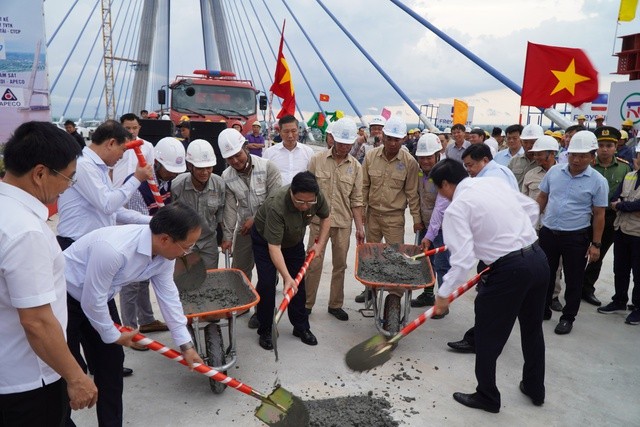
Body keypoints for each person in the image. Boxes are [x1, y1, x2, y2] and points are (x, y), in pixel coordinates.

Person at [64, 204, 204, 427]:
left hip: (101, 296)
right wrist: (112, 334)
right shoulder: (114, 249)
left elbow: (169, 297)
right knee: (65, 373)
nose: (187, 253)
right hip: (64, 297)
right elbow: (92, 301)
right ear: (166, 239)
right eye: (186, 247)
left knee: (111, 365)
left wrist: (186, 345)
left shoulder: (163, 256)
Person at [430, 159, 548, 414]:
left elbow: (460, 261)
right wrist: (508, 235)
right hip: (538, 257)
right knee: (532, 328)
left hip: (510, 270)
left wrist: (442, 294)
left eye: (439, 190)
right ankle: (534, 387)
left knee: (486, 333)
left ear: (446, 184)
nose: (441, 195)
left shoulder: (457, 208)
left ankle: (487, 396)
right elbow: (530, 208)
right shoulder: (492, 183)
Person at [0, 122, 97, 426]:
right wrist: (76, 376)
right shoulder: (26, 231)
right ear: (40, 173)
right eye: (68, 176)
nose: (68, 186)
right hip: (29, 382)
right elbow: (37, 320)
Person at [537, 131, 608, 335]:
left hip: (576, 236)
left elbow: (599, 214)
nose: (576, 159)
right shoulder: (554, 172)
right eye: (573, 154)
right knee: (545, 274)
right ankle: (543, 309)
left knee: (574, 279)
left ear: (592, 157)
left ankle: (568, 317)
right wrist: (529, 221)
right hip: (549, 232)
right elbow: (542, 197)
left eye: (583, 155)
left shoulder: (597, 181)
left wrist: (596, 244)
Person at [251, 172, 330, 350]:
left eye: (309, 202)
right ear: (291, 193)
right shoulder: (276, 205)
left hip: (293, 240)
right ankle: (265, 329)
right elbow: (274, 247)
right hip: (266, 242)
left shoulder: (316, 196)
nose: (305, 206)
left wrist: (319, 245)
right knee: (267, 283)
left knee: (298, 284)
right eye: (300, 202)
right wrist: (286, 277)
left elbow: (326, 217)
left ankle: (301, 327)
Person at [120, 137, 187, 342]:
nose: (174, 174)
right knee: (131, 285)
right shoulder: (138, 187)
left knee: (145, 280)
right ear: (157, 163)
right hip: (135, 240)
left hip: (156, 240)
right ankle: (130, 331)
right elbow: (143, 225)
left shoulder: (166, 182)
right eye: (170, 169)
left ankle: (147, 320)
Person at [219, 129, 282, 329]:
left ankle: (262, 311)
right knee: (240, 269)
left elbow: (275, 200)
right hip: (244, 229)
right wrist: (227, 237)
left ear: (246, 148)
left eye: (238, 155)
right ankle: (244, 303)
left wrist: (255, 219)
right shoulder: (226, 176)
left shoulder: (268, 167)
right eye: (230, 158)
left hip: (269, 227)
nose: (235, 161)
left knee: (266, 274)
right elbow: (229, 208)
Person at [356, 116, 422, 303]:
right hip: (373, 217)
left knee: (395, 258)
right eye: (390, 138)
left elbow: (412, 193)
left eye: (397, 139)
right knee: (371, 257)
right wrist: (361, 214)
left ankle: (394, 295)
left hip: (394, 218)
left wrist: (417, 219)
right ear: (383, 136)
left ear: (404, 139)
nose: (393, 143)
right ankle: (370, 289)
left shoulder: (409, 162)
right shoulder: (371, 157)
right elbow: (364, 187)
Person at [305, 118, 365, 321]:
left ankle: (335, 304)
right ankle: (307, 303)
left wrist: (359, 227)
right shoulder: (317, 160)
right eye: (341, 143)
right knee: (313, 263)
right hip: (318, 223)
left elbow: (357, 199)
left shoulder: (356, 166)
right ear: (332, 139)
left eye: (348, 144)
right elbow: (307, 191)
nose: (344, 148)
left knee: (340, 265)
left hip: (342, 224)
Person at [581, 126, 631, 306]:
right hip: (585, 215)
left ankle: (586, 288)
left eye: (609, 145)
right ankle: (575, 285)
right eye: (601, 145)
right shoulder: (585, 165)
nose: (604, 149)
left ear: (616, 146)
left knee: (597, 254)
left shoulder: (624, 168)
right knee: (578, 252)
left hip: (609, 218)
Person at [598, 144, 640, 324]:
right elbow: (614, 198)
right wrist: (623, 205)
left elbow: (631, 205)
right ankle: (619, 300)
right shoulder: (630, 175)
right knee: (620, 268)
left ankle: (638, 307)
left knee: (638, 272)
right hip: (622, 228)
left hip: (638, 233)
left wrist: (622, 205)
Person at [410, 134, 452, 313]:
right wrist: (418, 220)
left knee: (443, 265)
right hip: (426, 224)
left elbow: (440, 209)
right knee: (426, 262)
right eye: (422, 157)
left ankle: (443, 304)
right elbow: (417, 196)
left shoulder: (445, 173)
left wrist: (429, 234)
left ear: (437, 154)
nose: (425, 161)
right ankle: (428, 294)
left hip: (443, 228)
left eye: (428, 157)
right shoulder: (420, 172)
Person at [522, 135, 564, 312]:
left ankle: (553, 296)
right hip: (533, 228)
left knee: (554, 265)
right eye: (535, 154)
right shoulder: (530, 175)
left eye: (540, 154)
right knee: (530, 262)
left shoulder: (564, 174)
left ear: (552, 153)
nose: (536, 157)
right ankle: (531, 293)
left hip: (553, 227)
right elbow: (523, 200)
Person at [172, 139, 225, 269]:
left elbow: (222, 215)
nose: (205, 172)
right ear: (190, 166)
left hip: (209, 242)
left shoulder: (219, 184)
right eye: (200, 168)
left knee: (210, 279)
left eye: (209, 168)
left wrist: (227, 238)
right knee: (184, 281)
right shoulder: (177, 185)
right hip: (183, 241)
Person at [263, 115, 314, 185]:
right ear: (280, 132)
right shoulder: (269, 153)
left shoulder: (308, 152)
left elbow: (311, 176)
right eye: (286, 131)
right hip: (277, 194)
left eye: (293, 131)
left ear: (298, 130)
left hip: (300, 194)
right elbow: (264, 176)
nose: (290, 135)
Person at [112, 113, 155, 188]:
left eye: (135, 128)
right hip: (117, 189)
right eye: (127, 128)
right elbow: (109, 171)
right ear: (121, 128)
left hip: (139, 191)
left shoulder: (148, 146)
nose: (131, 131)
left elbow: (150, 171)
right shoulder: (114, 145)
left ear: (139, 127)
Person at [508, 123, 541, 189]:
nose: (528, 145)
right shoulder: (514, 161)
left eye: (532, 142)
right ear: (521, 142)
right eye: (525, 142)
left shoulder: (544, 163)